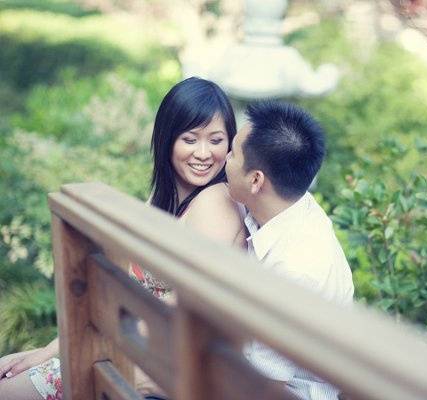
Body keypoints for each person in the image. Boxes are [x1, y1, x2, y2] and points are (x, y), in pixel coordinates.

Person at [0, 77, 245, 400]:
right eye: (190, 139)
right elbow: (125, 288)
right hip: (133, 348)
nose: (203, 153)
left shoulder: (215, 203)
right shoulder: (166, 197)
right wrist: (52, 348)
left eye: (216, 140)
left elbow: (188, 302)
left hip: (164, 365)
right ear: (167, 139)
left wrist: (68, 352)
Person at [225, 100, 354, 400]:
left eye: (232, 153)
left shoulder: (296, 268)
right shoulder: (293, 204)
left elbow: (262, 384)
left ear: (256, 180)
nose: (224, 161)